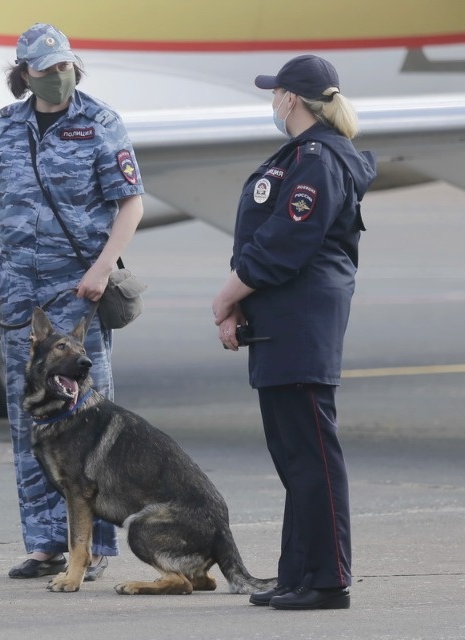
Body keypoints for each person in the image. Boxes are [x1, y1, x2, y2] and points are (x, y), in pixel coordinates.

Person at [0, 23, 145, 580]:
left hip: (78, 296)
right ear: (25, 75)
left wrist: (100, 268)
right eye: (46, 70)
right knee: (30, 423)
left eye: (65, 65)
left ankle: (91, 551)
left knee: (86, 422)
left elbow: (131, 204)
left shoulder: (99, 122)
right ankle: (45, 544)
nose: (59, 76)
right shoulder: (8, 124)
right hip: (19, 293)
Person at [212, 55, 377, 610]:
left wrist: (227, 295)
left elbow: (286, 240)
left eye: (276, 92)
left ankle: (328, 580)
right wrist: (240, 303)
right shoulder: (304, 156)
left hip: (301, 318)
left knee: (311, 454)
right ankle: (298, 573)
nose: (272, 101)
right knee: (292, 455)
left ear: (293, 100)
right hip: (282, 318)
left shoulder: (319, 159)